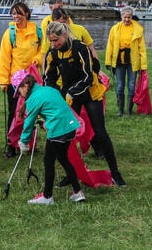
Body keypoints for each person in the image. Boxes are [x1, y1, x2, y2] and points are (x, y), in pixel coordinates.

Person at [44, 21, 127, 186]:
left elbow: (87, 76)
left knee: (100, 133)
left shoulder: (80, 48)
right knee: (68, 136)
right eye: (51, 41)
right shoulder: (52, 53)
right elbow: (49, 78)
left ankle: (115, 173)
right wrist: (56, 95)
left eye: (56, 40)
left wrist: (70, 93)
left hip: (90, 92)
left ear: (65, 35)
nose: (54, 44)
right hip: (70, 94)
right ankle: (72, 172)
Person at [16, 74, 86, 205]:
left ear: (25, 86)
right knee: (63, 158)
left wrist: (23, 142)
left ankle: (47, 197)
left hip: (58, 130)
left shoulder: (33, 99)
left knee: (48, 161)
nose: (20, 95)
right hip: (70, 127)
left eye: (19, 90)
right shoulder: (49, 89)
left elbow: (28, 123)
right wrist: (45, 123)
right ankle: (78, 192)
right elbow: (55, 109)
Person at [0, 1, 43, 158]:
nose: (15, 16)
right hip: (15, 82)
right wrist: (3, 81)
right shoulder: (9, 33)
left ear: (27, 15)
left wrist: (37, 60)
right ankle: (11, 144)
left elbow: (42, 51)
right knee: (14, 113)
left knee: (33, 111)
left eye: (19, 14)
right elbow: (4, 58)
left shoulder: (37, 31)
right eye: (13, 13)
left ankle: (30, 143)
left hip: (32, 80)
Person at [105, 6, 147, 116]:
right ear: (121, 17)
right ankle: (120, 110)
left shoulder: (138, 29)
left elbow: (141, 48)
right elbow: (110, 45)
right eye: (125, 17)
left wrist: (143, 65)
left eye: (129, 17)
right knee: (120, 85)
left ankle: (129, 110)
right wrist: (108, 62)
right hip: (119, 61)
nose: (127, 20)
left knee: (131, 85)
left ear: (132, 17)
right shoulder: (115, 29)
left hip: (133, 61)